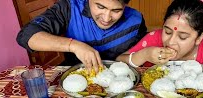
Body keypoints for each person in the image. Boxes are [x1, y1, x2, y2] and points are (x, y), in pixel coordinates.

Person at [17, 0, 147, 72]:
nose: (106, 18)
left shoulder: (136, 20)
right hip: (76, 80)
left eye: (116, 10)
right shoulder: (69, 8)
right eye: (100, 7)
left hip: (119, 82)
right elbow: (27, 35)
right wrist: (73, 45)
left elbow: (136, 53)